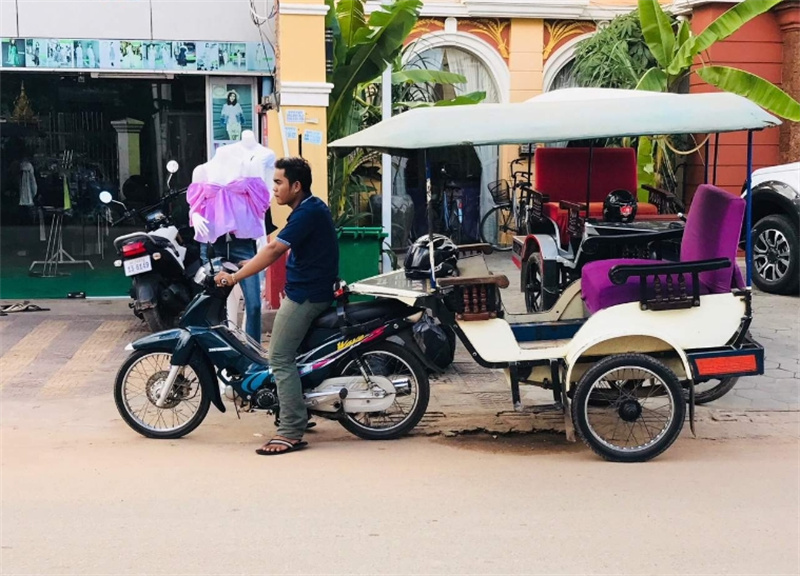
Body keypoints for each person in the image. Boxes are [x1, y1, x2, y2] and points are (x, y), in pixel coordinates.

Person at [215, 157, 339, 456]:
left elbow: (273, 250)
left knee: (280, 358)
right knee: (294, 356)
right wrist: (247, 264)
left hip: (306, 296)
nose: (274, 190)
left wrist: (234, 277)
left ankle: (291, 431)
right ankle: (297, 410)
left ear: (297, 186)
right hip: (310, 290)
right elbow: (278, 250)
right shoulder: (309, 207)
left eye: (279, 183)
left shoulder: (307, 212)